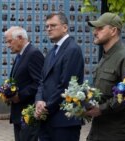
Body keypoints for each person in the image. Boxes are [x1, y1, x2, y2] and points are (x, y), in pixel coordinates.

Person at [85, 12, 125, 141]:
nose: (95, 32)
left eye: (100, 28)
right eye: (95, 28)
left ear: (113, 30)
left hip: (118, 133)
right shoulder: (106, 57)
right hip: (99, 130)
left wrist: (101, 109)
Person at [35, 12, 84, 141]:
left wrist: (46, 108)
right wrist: (39, 101)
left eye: (53, 25)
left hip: (64, 121)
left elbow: (66, 85)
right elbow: (42, 81)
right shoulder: (52, 52)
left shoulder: (72, 49)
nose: (49, 29)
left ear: (65, 28)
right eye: (47, 26)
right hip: (48, 119)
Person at [4, 26, 44, 141]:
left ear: (20, 38)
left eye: (10, 41)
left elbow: (39, 82)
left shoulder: (33, 54)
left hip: (28, 114)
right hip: (19, 113)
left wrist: (19, 96)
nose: (8, 45)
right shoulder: (20, 55)